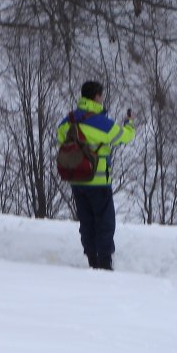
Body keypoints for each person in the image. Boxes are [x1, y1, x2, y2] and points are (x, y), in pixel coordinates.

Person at [57, 81, 135, 270]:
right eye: (102, 95)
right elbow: (124, 137)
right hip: (98, 180)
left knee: (86, 221)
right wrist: (129, 124)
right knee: (104, 222)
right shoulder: (100, 121)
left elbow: (60, 137)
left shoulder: (68, 120)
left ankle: (91, 258)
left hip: (76, 178)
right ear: (97, 97)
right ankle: (104, 261)